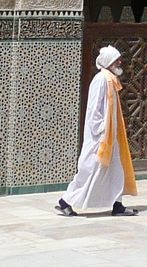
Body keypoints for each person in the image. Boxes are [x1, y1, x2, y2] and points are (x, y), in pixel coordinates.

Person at [56, 45, 138, 217]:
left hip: (110, 137)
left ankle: (117, 205)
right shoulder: (101, 80)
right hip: (99, 138)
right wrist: (101, 131)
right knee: (88, 171)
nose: (120, 62)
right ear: (108, 61)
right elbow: (94, 110)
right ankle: (65, 202)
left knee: (116, 170)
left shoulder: (110, 79)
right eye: (116, 59)